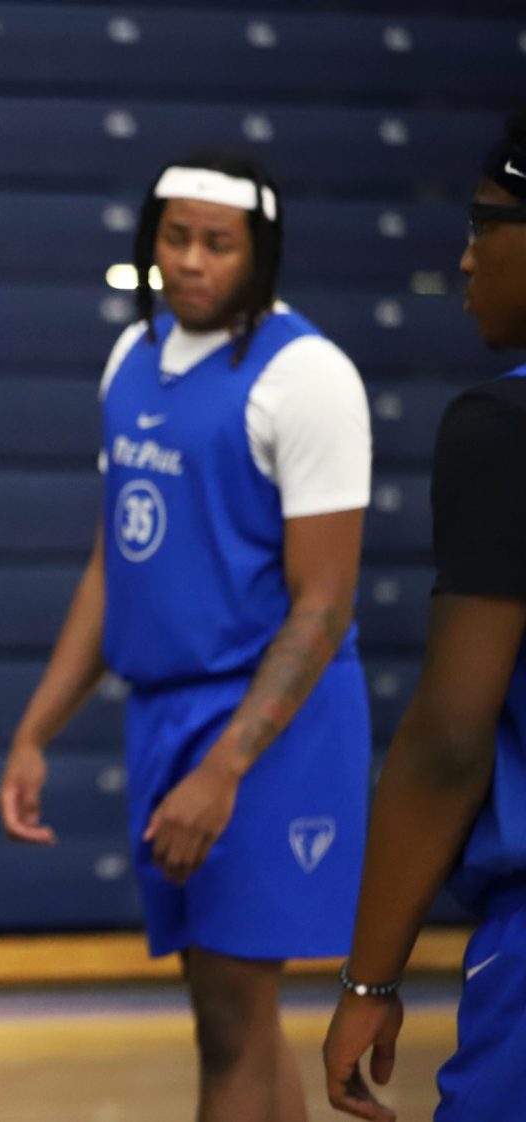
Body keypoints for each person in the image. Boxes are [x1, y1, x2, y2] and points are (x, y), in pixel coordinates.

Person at [0, 150, 374, 1121]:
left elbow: (324, 605)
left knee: (231, 1020)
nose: (194, 260)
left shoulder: (310, 377)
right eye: (177, 237)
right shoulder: (132, 359)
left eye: (219, 242)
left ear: (261, 253)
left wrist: (224, 769)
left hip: (269, 726)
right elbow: (111, 565)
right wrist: (37, 728)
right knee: (228, 1010)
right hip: (163, 714)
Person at [323, 110, 526, 1122]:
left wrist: (367, 979)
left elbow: (451, 738)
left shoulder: (503, 426)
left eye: (486, 221)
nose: (465, 253)